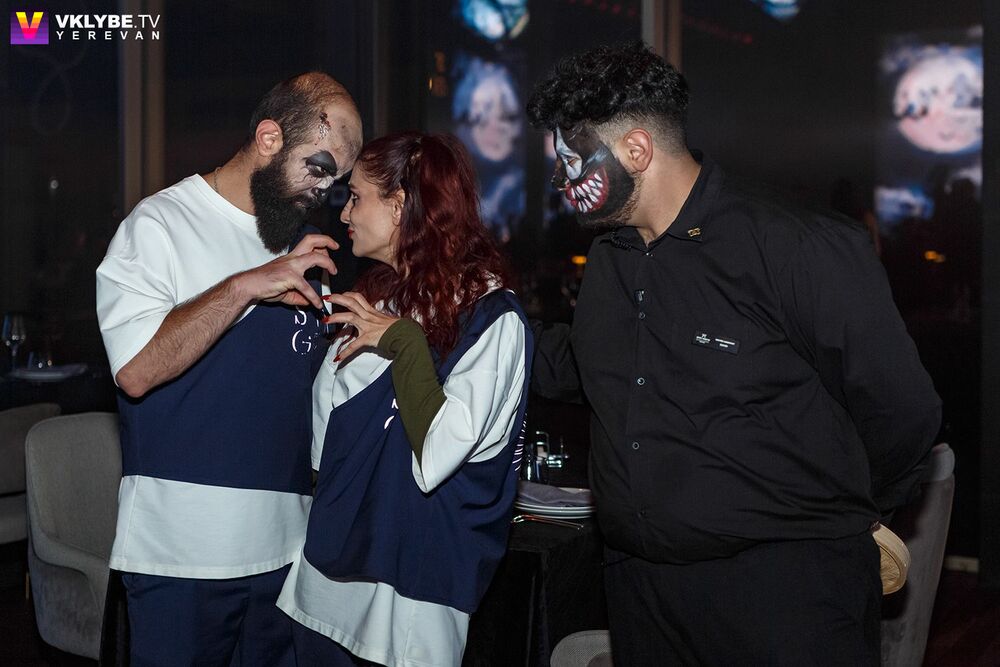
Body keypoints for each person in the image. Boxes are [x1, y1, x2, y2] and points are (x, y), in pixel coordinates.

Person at [525, 41, 941, 666]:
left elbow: (903, 410)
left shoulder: (796, 248)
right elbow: (585, 365)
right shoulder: (612, 259)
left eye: (570, 162)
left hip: (785, 599)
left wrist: (838, 513)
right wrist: (449, 333)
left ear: (636, 150)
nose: (561, 182)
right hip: (642, 594)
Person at [95, 72, 362, 666]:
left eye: (338, 180)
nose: (325, 191)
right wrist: (244, 287)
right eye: (319, 168)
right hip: (181, 558)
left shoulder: (306, 245)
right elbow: (135, 370)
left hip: (286, 556)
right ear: (269, 138)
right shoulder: (159, 225)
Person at [276, 132, 531, 666]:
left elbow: (437, 455)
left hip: (414, 588)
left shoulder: (489, 317)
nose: (344, 213)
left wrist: (405, 344)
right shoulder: (377, 299)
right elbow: (323, 444)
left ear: (399, 206)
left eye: (356, 197)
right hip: (328, 576)